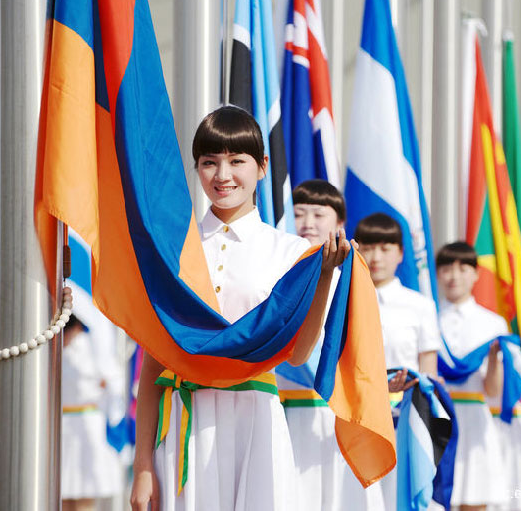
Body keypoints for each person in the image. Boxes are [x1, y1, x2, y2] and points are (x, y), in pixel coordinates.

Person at [130, 106, 353, 511]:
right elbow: (153, 364)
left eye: (237, 161)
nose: (222, 175)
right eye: (209, 162)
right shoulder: (174, 251)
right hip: (185, 419)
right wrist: (142, 464)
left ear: (263, 167)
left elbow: (298, 354)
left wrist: (321, 278)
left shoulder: (291, 253)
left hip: (256, 418)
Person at [280, 179, 383, 511]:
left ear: (339, 223)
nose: (308, 222)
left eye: (318, 214)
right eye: (299, 213)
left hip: (336, 416)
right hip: (285, 413)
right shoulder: (275, 275)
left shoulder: (352, 281)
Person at [354, 212, 441, 511]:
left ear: (401, 253)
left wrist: (410, 388)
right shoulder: (343, 299)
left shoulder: (420, 306)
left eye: (385, 247)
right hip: (355, 421)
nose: (375, 257)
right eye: (367, 247)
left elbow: (429, 372)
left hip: (404, 421)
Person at [436, 242, 508, 511]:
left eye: (463, 268)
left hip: (474, 419)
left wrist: (492, 359)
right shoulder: (428, 315)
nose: (454, 276)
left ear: (476, 274)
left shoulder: (492, 323)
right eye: (446, 268)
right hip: (436, 414)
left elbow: (492, 390)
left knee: (473, 498)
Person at [61, 314, 122, 511]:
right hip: (74, 423)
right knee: (70, 494)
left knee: (79, 494)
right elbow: (112, 383)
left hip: (83, 422)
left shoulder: (86, 344)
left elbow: (112, 382)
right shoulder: (65, 345)